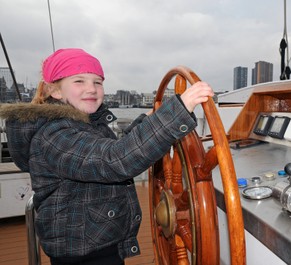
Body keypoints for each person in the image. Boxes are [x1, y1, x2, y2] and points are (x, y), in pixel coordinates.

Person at [0, 48, 214, 265]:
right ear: (54, 91)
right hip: (83, 251)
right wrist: (178, 111)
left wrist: (151, 120)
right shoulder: (54, 135)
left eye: (98, 82)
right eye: (79, 81)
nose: (91, 89)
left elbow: (113, 148)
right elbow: (113, 160)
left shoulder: (83, 124)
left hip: (97, 239)